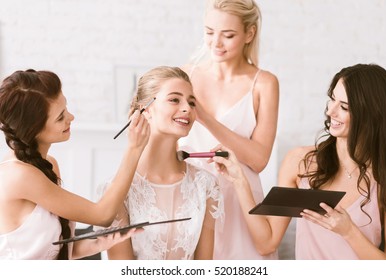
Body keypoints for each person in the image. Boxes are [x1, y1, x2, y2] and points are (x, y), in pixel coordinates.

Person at [211, 63, 386, 259]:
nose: (331, 112)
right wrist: (239, 180)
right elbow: (266, 243)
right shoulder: (301, 162)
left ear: (371, 115)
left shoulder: (384, 177)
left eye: (344, 107)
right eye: (332, 100)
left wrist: (349, 231)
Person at [0, 69, 150, 260]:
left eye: (66, 108)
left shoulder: (48, 165)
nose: (71, 118)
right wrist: (135, 148)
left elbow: (55, 250)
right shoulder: (18, 175)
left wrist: (98, 243)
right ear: (34, 129)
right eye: (60, 117)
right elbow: (102, 215)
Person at [178, 0, 279, 259]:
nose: (216, 43)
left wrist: (205, 117)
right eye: (209, 32)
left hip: (240, 201)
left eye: (228, 35)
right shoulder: (185, 76)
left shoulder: (264, 83)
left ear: (249, 33)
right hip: (191, 199)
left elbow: (258, 159)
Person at [100, 66, 224, 260]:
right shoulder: (116, 191)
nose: (187, 108)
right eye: (175, 99)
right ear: (146, 109)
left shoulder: (206, 185)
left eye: (191, 103)